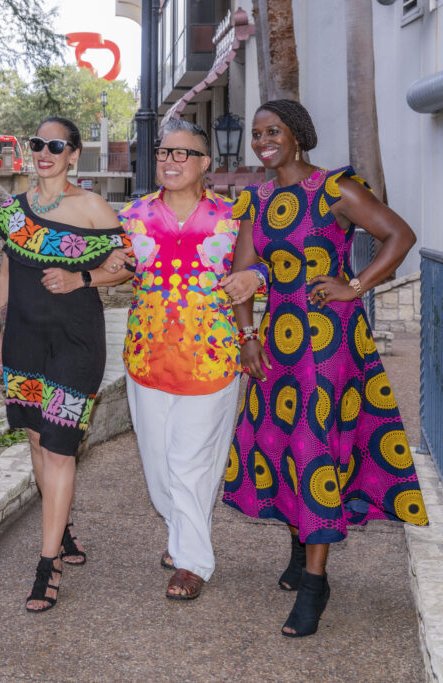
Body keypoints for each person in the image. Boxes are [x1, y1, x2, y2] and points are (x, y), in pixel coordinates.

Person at [223, 99, 428, 637]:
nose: (263, 140)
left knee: (314, 448)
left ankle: (315, 583)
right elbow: (241, 274)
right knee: (281, 442)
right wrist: (247, 336)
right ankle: (299, 546)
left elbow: (399, 236)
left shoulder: (333, 188)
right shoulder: (256, 200)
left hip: (328, 340)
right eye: (257, 133)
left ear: (297, 136)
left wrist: (355, 285)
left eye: (274, 131)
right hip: (277, 343)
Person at [116, 119, 267, 601]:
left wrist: (257, 279)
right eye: (164, 153)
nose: (170, 161)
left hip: (212, 359)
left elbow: (272, 262)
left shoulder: (232, 215)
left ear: (206, 163)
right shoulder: (132, 216)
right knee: (159, 468)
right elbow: (115, 269)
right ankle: (182, 529)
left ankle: (192, 562)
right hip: (147, 357)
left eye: (183, 154)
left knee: (191, 465)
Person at [0, 116, 133, 612]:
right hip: (24, 340)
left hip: (76, 342)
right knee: (35, 437)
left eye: (56, 146)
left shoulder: (91, 207)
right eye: (38, 144)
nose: (44, 152)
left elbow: (127, 266)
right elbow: (7, 268)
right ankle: (62, 525)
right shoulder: (14, 210)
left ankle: (46, 566)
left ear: (73, 153)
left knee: (59, 446)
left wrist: (82, 279)